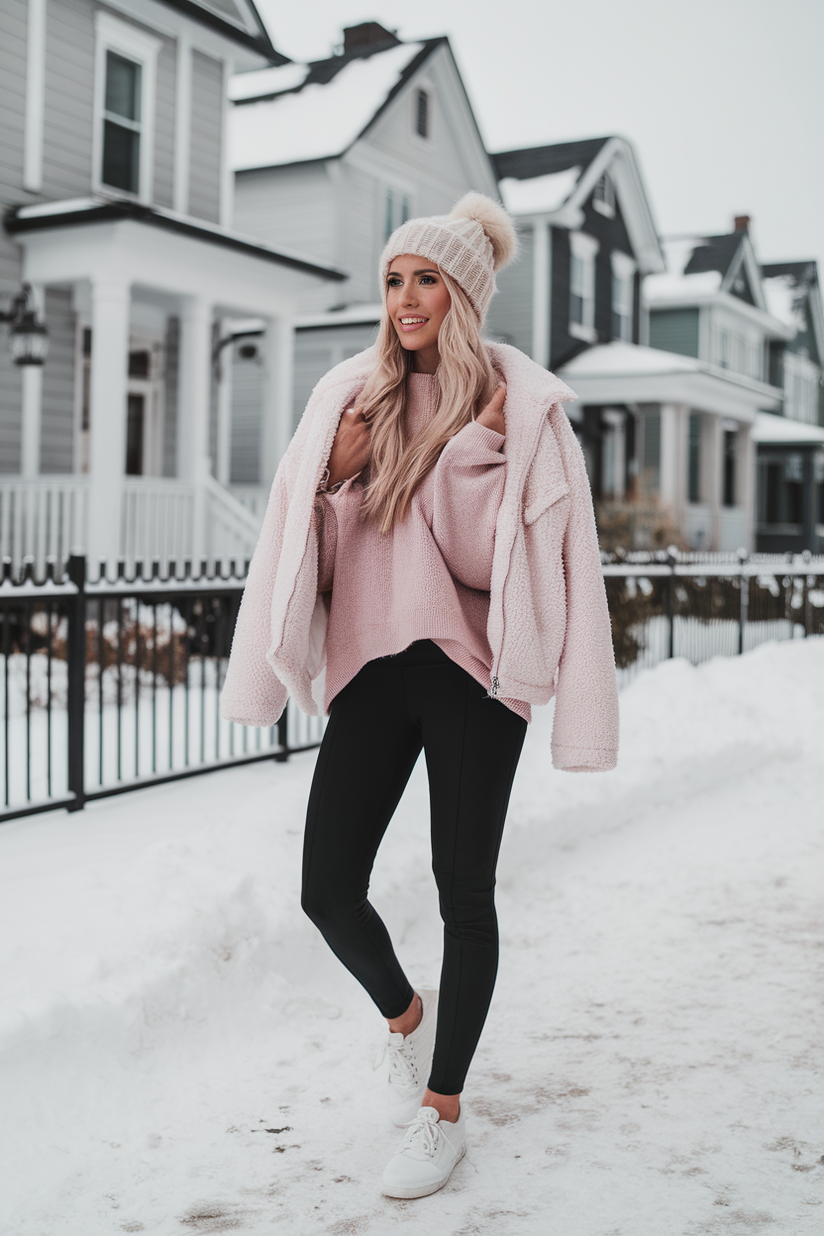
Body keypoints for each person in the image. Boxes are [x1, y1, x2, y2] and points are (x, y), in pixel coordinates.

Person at [220, 193, 619, 1199]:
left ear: (463, 295)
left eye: (425, 279)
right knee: (324, 889)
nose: (404, 298)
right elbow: (292, 547)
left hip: (469, 676)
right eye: (394, 279)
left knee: (463, 891)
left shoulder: (512, 411)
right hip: (368, 665)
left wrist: (470, 456)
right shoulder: (344, 399)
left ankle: (442, 1110)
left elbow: (513, 572)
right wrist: (334, 481)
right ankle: (408, 1017)